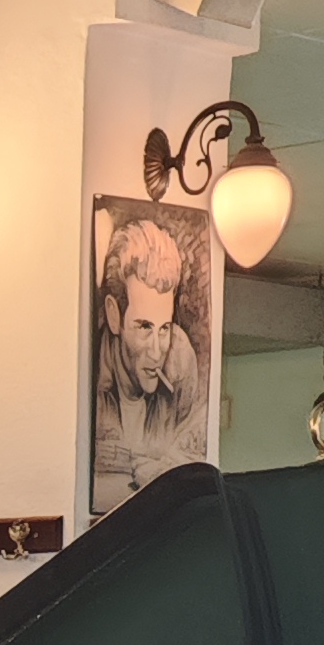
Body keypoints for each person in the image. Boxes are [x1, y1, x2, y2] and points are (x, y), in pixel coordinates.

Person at [91, 210, 207, 508]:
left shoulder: (180, 359)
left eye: (164, 328)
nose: (157, 352)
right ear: (114, 315)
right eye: (144, 327)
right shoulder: (88, 377)